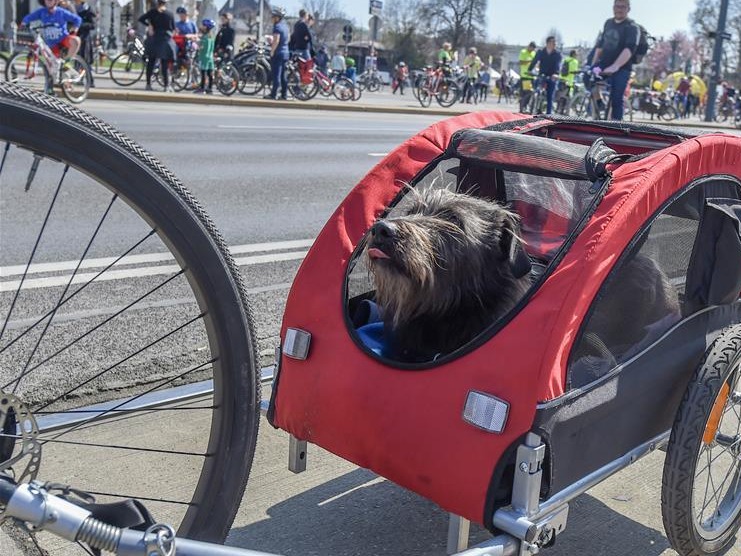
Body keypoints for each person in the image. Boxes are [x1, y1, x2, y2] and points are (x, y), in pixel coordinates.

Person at [591, 0, 640, 120]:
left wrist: (616, 66)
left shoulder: (632, 27)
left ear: (628, 9)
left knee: (616, 99)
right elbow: (600, 46)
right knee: (589, 78)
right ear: (613, 7)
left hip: (622, 68)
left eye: (623, 7)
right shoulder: (608, 23)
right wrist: (593, 64)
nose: (619, 9)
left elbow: (629, 49)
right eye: (617, 6)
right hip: (602, 65)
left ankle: (617, 129)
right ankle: (600, 103)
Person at [138, 0, 177, 92]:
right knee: (164, 64)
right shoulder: (169, 14)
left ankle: (148, 84)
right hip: (165, 40)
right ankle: (166, 86)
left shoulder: (152, 12)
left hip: (154, 38)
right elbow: (173, 28)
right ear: (165, 4)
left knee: (151, 62)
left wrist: (150, 25)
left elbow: (141, 19)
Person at [528, 36, 562, 114]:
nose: (554, 44)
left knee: (549, 97)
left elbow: (558, 66)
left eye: (555, 42)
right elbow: (534, 61)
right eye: (553, 42)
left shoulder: (557, 54)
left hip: (552, 76)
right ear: (548, 43)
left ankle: (549, 115)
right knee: (537, 87)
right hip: (542, 75)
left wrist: (556, 74)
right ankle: (533, 104)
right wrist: (529, 70)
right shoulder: (541, 52)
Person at [265, 6, 289, 100]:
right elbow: (288, 38)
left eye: (273, 16)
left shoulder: (277, 27)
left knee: (276, 74)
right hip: (285, 52)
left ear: (277, 17)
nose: (272, 18)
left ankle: (273, 94)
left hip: (278, 53)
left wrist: (272, 51)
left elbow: (276, 40)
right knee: (283, 75)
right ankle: (284, 95)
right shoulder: (285, 26)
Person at [193, 18, 215, 94]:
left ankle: (202, 88)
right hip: (210, 57)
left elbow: (201, 47)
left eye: (203, 25)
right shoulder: (211, 37)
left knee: (203, 73)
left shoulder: (205, 37)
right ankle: (210, 88)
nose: (201, 26)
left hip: (204, 57)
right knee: (210, 73)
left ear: (206, 27)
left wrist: (196, 42)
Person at [518, 41, 537, 110]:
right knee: (526, 92)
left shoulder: (534, 53)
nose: (532, 50)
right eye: (532, 48)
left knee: (529, 92)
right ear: (529, 46)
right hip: (525, 76)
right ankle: (523, 106)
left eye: (534, 49)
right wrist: (530, 61)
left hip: (532, 76)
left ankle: (524, 105)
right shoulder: (523, 52)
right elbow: (520, 62)